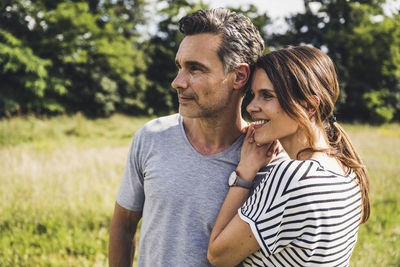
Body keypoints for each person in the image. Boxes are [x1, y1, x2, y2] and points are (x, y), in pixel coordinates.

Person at [108, 8, 282, 266]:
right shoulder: (151, 137)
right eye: (179, 67)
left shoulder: (268, 157)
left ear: (240, 76)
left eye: (195, 69)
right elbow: (123, 225)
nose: (177, 82)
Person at [207, 46, 370, 267]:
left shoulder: (292, 177)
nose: (252, 107)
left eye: (267, 95)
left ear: (309, 105)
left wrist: (245, 172)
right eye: (253, 95)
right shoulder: (349, 170)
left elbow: (218, 256)